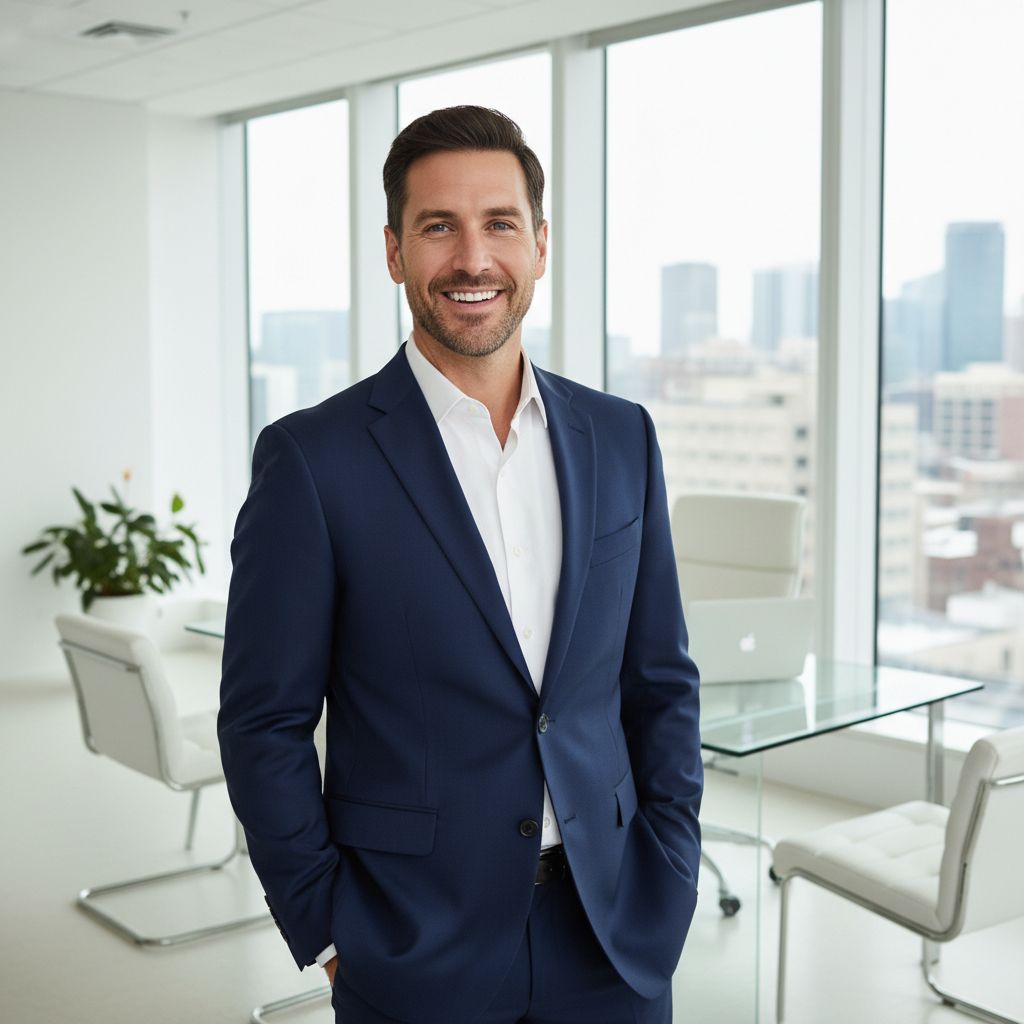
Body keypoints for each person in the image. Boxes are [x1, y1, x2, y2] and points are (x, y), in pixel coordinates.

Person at [218, 105, 702, 1024]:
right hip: (412, 942)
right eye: (439, 226)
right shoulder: (313, 461)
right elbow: (263, 722)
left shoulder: (621, 436)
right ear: (395, 252)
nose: (473, 259)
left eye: (500, 224)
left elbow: (661, 682)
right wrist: (328, 931)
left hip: (614, 930)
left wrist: (672, 866)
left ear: (541, 245)